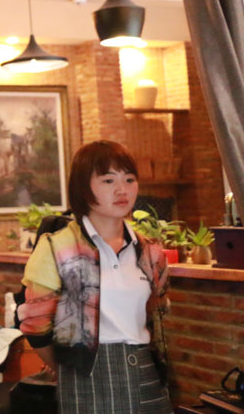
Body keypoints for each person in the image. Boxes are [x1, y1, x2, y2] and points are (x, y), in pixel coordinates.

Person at [18, 140, 172, 414]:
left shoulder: (150, 251)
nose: (122, 189)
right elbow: (36, 326)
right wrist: (69, 367)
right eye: (108, 180)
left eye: (129, 179)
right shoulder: (57, 247)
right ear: (82, 187)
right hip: (85, 373)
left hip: (146, 370)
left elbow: (158, 310)